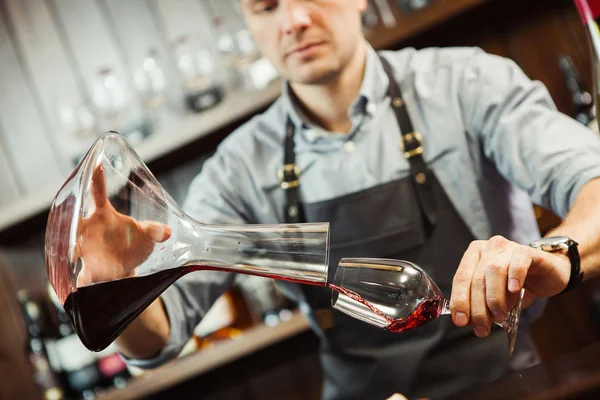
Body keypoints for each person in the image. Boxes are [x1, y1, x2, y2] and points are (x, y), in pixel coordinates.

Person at [76, 0, 600, 398]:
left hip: (507, 384)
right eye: (266, 5)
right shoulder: (241, 168)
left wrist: (555, 254)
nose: (294, 19)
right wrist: (117, 295)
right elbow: (162, 335)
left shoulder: (466, 83)